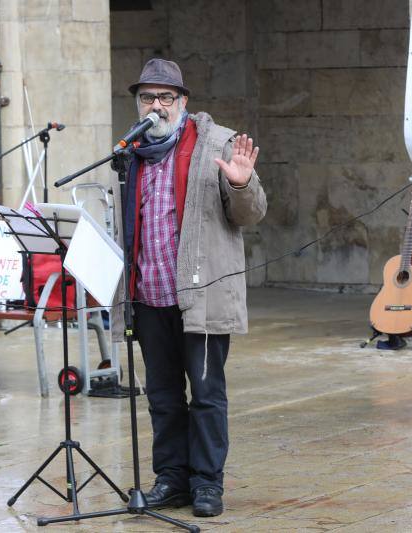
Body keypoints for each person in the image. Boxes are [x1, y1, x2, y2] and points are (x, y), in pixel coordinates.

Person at [123, 59, 267, 517]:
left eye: (167, 98)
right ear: (138, 103)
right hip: (149, 295)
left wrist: (241, 184)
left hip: (201, 296)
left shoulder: (218, 144)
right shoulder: (131, 153)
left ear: (184, 103)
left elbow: (252, 212)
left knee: (206, 395)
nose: (157, 105)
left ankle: (207, 483)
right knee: (163, 398)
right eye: (148, 97)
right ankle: (172, 478)